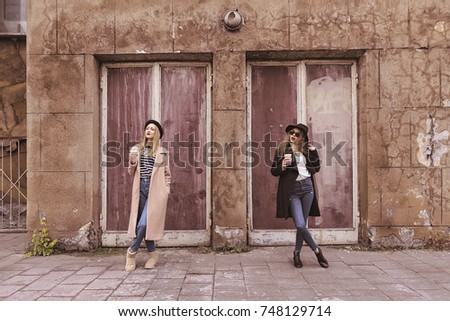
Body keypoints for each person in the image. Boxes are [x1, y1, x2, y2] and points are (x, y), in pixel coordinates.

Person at [271, 123, 328, 268]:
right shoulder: (282, 149)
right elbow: (274, 171)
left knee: (302, 225)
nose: (293, 136)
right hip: (293, 191)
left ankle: (297, 253)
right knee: (301, 225)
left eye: (297, 134)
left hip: (307, 188)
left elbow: (316, 168)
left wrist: (314, 152)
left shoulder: (306, 150)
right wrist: (283, 165)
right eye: (291, 132)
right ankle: (317, 250)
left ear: (302, 136)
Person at [125, 119, 171, 272]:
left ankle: (131, 252)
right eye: (147, 128)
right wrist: (132, 162)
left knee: (143, 224)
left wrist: (166, 189)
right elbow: (131, 172)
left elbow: (167, 174)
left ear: (156, 133)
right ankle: (152, 255)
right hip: (141, 188)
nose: (149, 130)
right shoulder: (137, 149)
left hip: (156, 191)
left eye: (152, 129)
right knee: (146, 224)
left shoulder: (162, 152)